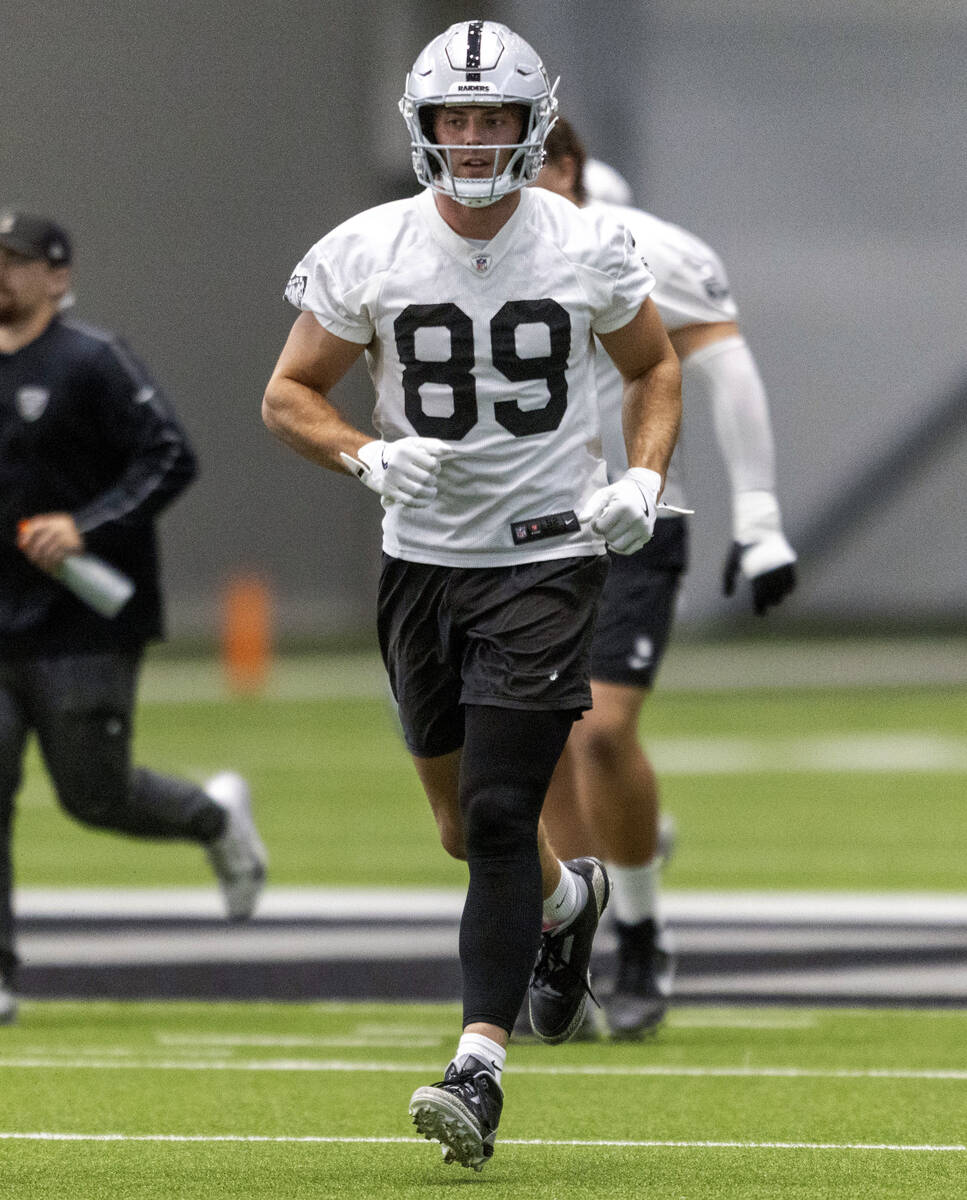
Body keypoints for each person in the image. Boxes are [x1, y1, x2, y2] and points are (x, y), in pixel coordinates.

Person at [262, 20, 681, 1172]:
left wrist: (642, 475)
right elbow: (290, 394)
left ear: (533, 123)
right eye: (458, 117)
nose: (477, 138)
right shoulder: (368, 248)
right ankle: (563, 905)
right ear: (425, 127)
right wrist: (362, 453)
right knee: (462, 829)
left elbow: (654, 367)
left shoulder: (588, 246)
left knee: (502, 813)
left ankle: (477, 1068)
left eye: (497, 118)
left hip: (546, 555)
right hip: (421, 560)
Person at [534, 119, 797, 1039]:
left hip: (630, 517)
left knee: (599, 732)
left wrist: (759, 519)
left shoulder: (634, 245)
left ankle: (641, 930)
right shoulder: (445, 248)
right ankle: (566, 940)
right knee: (533, 747)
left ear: (562, 167)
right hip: (509, 531)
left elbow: (723, 368)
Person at [0, 210, 268, 1026]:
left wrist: (86, 523)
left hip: (81, 618)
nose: (1, 275)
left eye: (15, 260)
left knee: (93, 795)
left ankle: (213, 818)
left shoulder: (94, 361)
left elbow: (170, 457)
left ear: (56, 273)